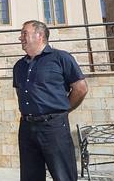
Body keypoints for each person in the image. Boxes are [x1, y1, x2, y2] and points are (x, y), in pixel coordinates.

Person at [13, 20, 88, 181]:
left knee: (63, 176)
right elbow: (20, 92)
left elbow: (80, 88)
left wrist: (63, 110)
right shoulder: (19, 66)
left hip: (53, 127)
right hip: (27, 127)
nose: (20, 38)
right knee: (29, 177)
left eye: (24, 33)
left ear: (39, 35)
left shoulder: (61, 58)